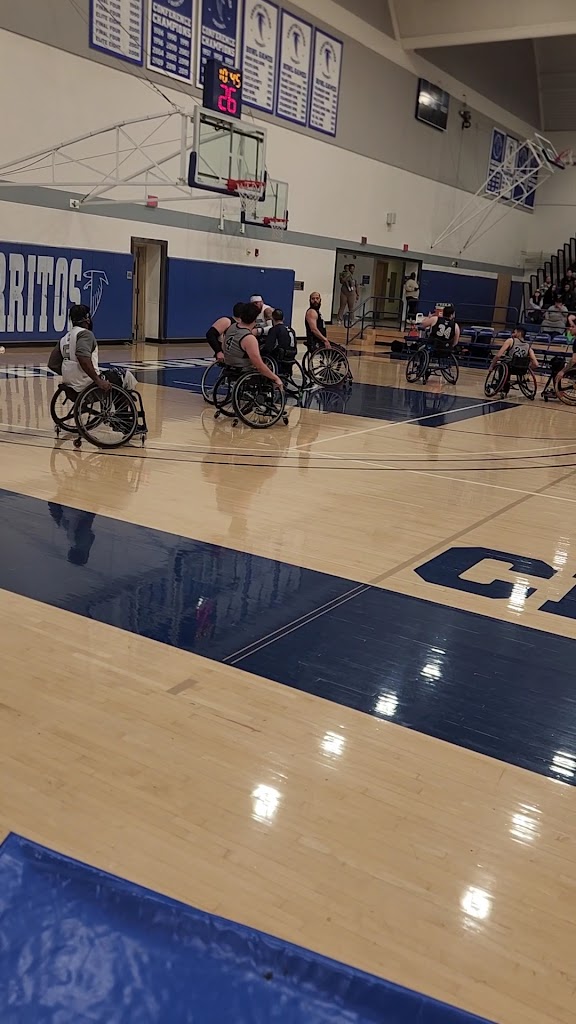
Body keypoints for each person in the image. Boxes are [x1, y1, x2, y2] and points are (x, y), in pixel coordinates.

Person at [56, 304, 137, 394]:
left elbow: (53, 364)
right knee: (126, 376)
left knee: (109, 375)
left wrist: (70, 374)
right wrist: (97, 380)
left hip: (70, 383)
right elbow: (82, 358)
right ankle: (122, 407)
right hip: (86, 384)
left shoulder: (64, 338)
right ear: (87, 319)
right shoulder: (85, 334)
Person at [222, 301, 283, 389]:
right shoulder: (249, 338)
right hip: (242, 368)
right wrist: (275, 378)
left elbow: (223, 345)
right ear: (255, 319)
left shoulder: (232, 326)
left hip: (228, 364)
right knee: (266, 369)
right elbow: (259, 365)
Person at [489, 327, 539, 395]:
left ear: (519, 333)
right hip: (521, 369)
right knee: (507, 367)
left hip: (509, 366)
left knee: (502, 366)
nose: (512, 334)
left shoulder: (511, 340)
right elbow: (536, 364)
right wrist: (527, 368)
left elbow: (498, 355)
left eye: (514, 332)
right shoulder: (528, 346)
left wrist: (492, 366)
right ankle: (505, 389)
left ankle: (500, 387)